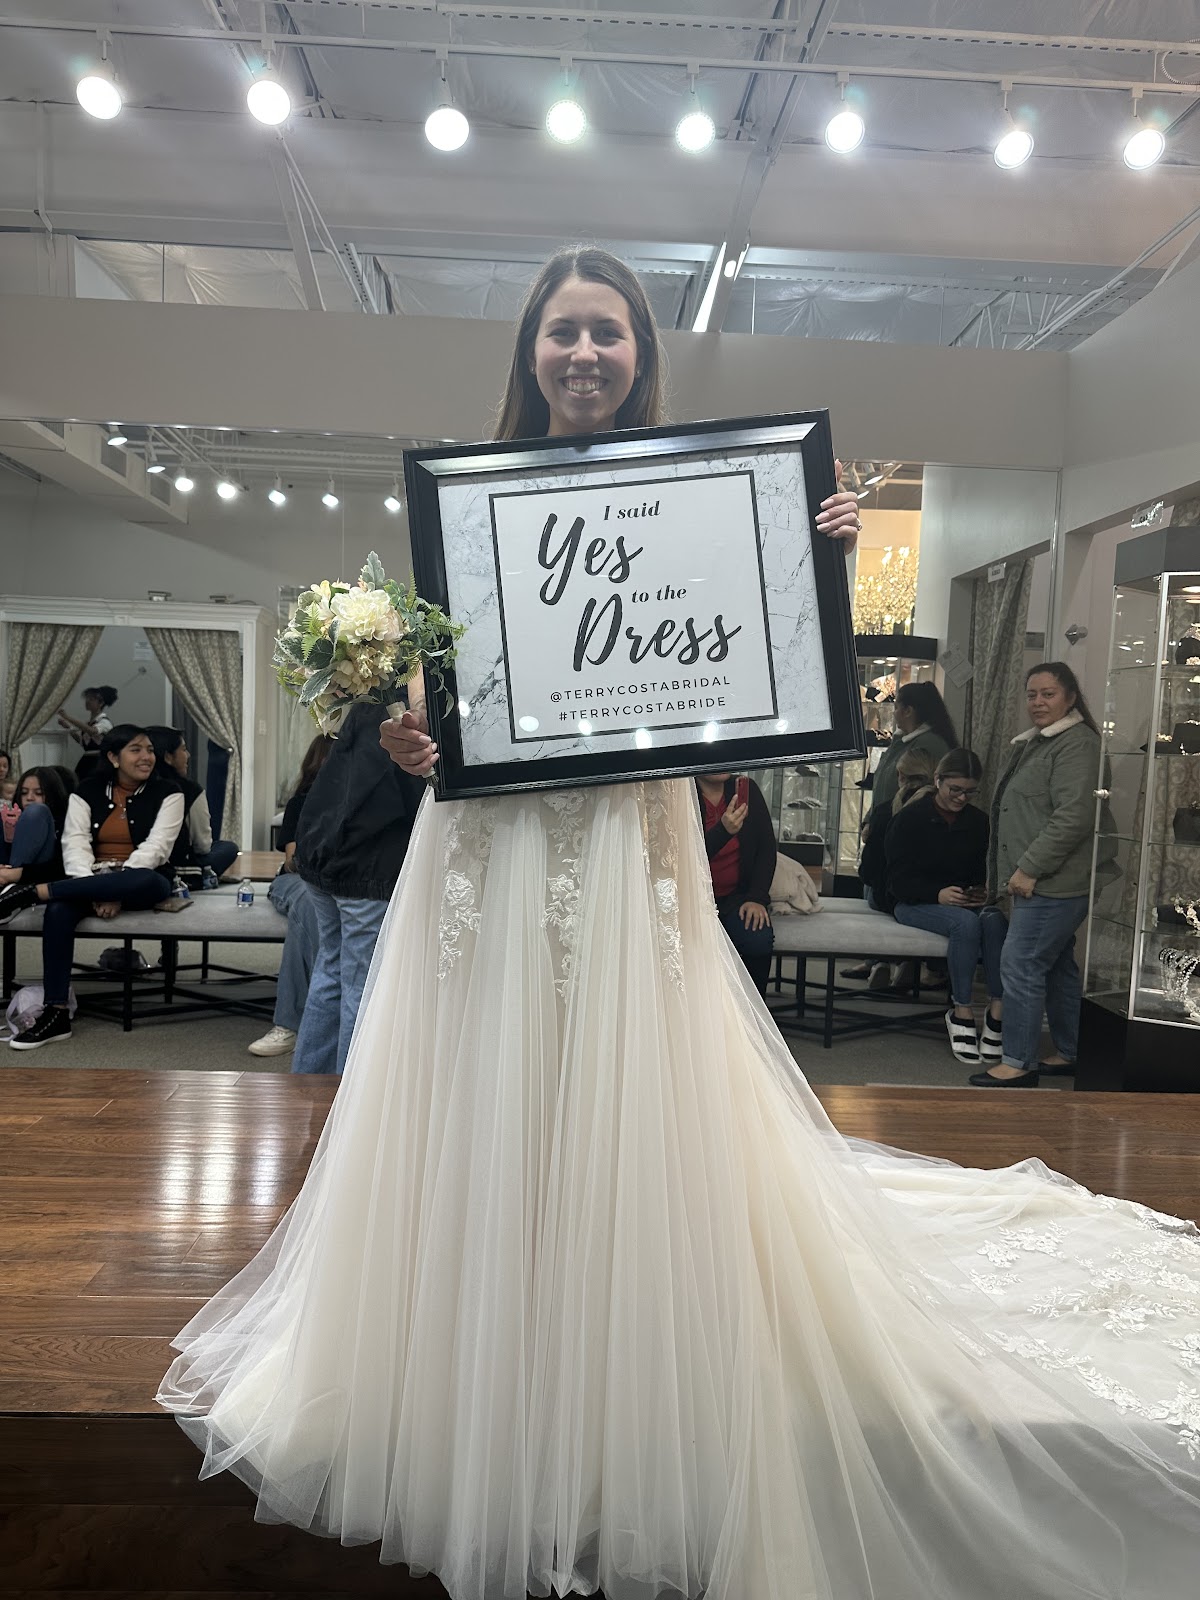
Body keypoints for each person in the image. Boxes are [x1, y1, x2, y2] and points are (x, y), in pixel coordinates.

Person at [158, 249, 1200, 1600]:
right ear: (530, 349)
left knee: (627, 1072)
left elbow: (765, 673)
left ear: (642, 353)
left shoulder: (707, 497)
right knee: (485, 1075)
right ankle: (481, 1332)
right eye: (563, 331)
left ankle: (617, 1350)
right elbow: (451, 696)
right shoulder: (476, 500)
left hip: (626, 834)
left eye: (608, 332)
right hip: (490, 847)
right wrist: (419, 739)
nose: (585, 353)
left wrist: (815, 561)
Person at [0, 725, 184, 1050]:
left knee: (146, 877)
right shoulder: (86, 790)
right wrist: (96, 888)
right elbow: (74, 845)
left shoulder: (169, 792)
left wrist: (116, 890)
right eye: (136, 750)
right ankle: (56, 1013)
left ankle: (32, 892)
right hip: (87, 879)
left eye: (149, 750)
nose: (146, 757)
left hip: (142, 880)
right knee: (58, 911)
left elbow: (157, 849)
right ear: (113, 757)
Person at [972, 661, 1107, 1088]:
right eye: (1032, 694)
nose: (1038, 702)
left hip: (1053, 881)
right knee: (1057, 965)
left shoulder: (1078, 744)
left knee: (1021, 963)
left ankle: (1018, 1062)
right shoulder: (1037, 742)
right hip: (1039, 880)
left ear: (1070, 697)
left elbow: (1074, 816)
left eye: (1048, 694)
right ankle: (1070, 1051)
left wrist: (1029, 868)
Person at [288, 704, 424, 1075]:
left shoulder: (369, 702)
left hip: (321, 848)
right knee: (359, 987)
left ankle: (309, 1087)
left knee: (330, 972)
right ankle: (345, 1094)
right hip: (366, 860)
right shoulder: (405, 712)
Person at [885, 749, 1004, 1067]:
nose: (962, 798)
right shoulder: (909, 819)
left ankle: (997, 1009)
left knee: (994, 920)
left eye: (970, 791)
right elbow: (896, 882)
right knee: (965, 924)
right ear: (937, 780)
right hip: (914, 902)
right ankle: (961, 1010)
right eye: (955, 789)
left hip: (962, 902)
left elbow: (981, 871)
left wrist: (981, 892)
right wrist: (936, 894)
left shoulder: (979, 823)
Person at [247, 734, 333, 1059]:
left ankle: (333, 1013)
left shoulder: (362, 804)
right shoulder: (302, 803)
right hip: (298, 881)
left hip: (343, 885)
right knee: (310, 904)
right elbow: (292, 861)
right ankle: (291, 1024)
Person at [694, 771, 776, 995]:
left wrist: (757, 897)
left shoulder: (746, 789)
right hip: (693, 901)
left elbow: (767, 849)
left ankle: (754, 1012)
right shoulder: (684, 794)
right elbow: (683, 857)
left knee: (758, 938)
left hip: (736, 898)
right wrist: (723, 831)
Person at [148, 725, 239, 880]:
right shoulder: (188, 790)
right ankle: (204, 875)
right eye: (183, 750)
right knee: (228, 848)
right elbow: (202, 846)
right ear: (168, 757)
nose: (188, 755)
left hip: (142, 862)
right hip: (181, 867)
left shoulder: (134, 786)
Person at [864, 680, 957, 821]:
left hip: (905, 825)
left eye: (896, 708)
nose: (894, 713)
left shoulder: (928, 745)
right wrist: (869, 821)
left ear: (908, 711)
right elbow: (882, 788)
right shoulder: (901, 742)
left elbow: (916, 794)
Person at [0, 766, 71, 888]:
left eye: (39, 793)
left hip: (41, 880)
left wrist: (13, 874)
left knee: (36, 811)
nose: (29, 798)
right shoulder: (9, 818)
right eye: (24, 793)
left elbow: (61, 867)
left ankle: (11, 888)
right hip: (6, 877)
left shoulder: (66, 821)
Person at [57, 684, 117, 781]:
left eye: (91, 699)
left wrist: (68, 717)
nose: (87, 701)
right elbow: (82, 742)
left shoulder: (104, 722)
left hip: (99, 761)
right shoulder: (89, 723)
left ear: (101, 703)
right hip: (86, 760)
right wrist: (67, 726)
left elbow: (92, 731)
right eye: (87, 698)